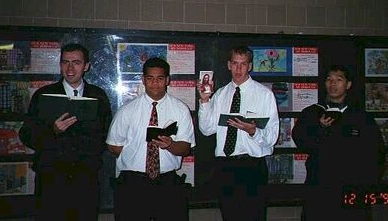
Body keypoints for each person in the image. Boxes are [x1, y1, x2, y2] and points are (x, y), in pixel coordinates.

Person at [19, 43, 112, 221]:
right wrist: (52, 130)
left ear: (86, 66)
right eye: (65, 62)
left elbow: (106, 134)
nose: (70, 68)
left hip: (85, 179)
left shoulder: (98, 95)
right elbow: (26, 134)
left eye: (76, 62)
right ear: (60, 65)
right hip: (51, 179)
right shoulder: (44, 95)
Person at [292, 65, 385, 221]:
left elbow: (377, 152)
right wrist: (320, 128)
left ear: (348, 84)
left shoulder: (361, 117)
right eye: (329, 79)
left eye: (338, 80)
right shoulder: (312, 112)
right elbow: (301, 141)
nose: (332, 84)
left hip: (353, 186)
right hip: (320, 184)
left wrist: (369, 184)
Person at [106, 57, 195, 221]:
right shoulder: (127, 110)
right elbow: (113, 145)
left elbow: (185, 148)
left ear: (167, 80)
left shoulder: (180, 109)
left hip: (167, 183)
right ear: (143, 80)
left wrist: (170, 145)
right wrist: (135, 156)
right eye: (150, 78)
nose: (155, 83)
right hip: (133, 184)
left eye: (160, 78)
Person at [197, 46, 279, 221]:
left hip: (252, 167)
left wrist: (253, 131)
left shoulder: (264, 95)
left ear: (250, 66)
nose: (239, 69)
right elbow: (207, 129)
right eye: (235, 63)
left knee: (254, 217)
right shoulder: (220, 94)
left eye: (243, 64)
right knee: (229, 216)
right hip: (225, 167)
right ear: (228, 65)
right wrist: (204, 101)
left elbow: (272, 138)